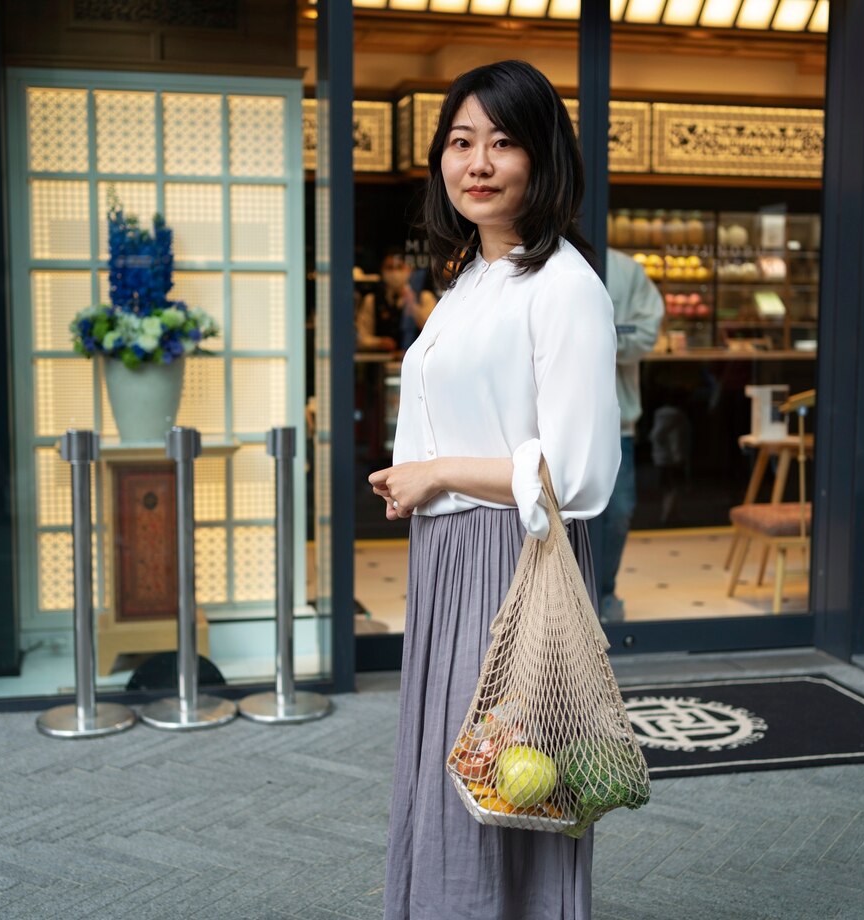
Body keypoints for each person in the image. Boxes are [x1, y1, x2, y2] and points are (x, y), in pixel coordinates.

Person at [367, 60, 619, 920]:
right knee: (460, 779)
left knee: (507, 785)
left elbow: (575, 474)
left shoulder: (566, 286)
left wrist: (437, 472)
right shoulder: (471, 278)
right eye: (461, 142)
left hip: (513, 562)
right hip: (451, 557)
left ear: (543, 158)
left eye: (503, 143)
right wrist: (419, 482)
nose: (478, 162)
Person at [595, 249, 664, 623]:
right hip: (541, 425)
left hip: (614, 422)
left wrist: (593, 335)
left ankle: (603, 592)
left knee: (617, 513)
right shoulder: (534, 254)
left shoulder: (624, 268)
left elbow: (645, 333)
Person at [358, 249, 437, 352]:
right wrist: (379, 342)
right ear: (382, 271)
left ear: (409, 270)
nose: (395, 272)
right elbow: (361, 338)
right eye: (389, 268)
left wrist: (412, 306)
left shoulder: (424, 297)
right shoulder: (371, 300)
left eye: (399, 267)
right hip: (380, 363)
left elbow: (433, 333)